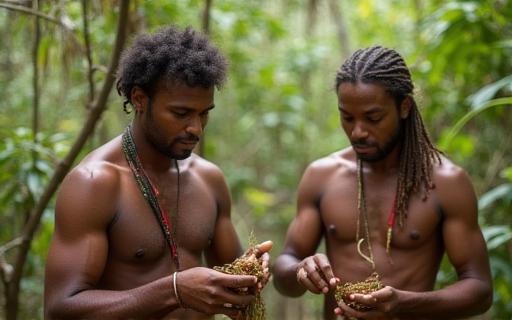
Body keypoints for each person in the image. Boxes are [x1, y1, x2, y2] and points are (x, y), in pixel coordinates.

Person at [44, 25, 271, 320]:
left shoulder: (209, 179)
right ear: (139, 99)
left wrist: (252, 271)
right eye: (181, 114)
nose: (196, 128)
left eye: (204, 113)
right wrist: (174, 291)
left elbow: (231, 277)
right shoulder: (96, 184)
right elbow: (60, 309)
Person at [273, 46, 492, 320]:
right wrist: (300, 271)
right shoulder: (322, 176)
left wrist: (404, 303)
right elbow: (284, 271)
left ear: (404, 107)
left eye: (373, 118)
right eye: (347, 117)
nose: (358, 131)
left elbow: (480, 290)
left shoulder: (446, 183)